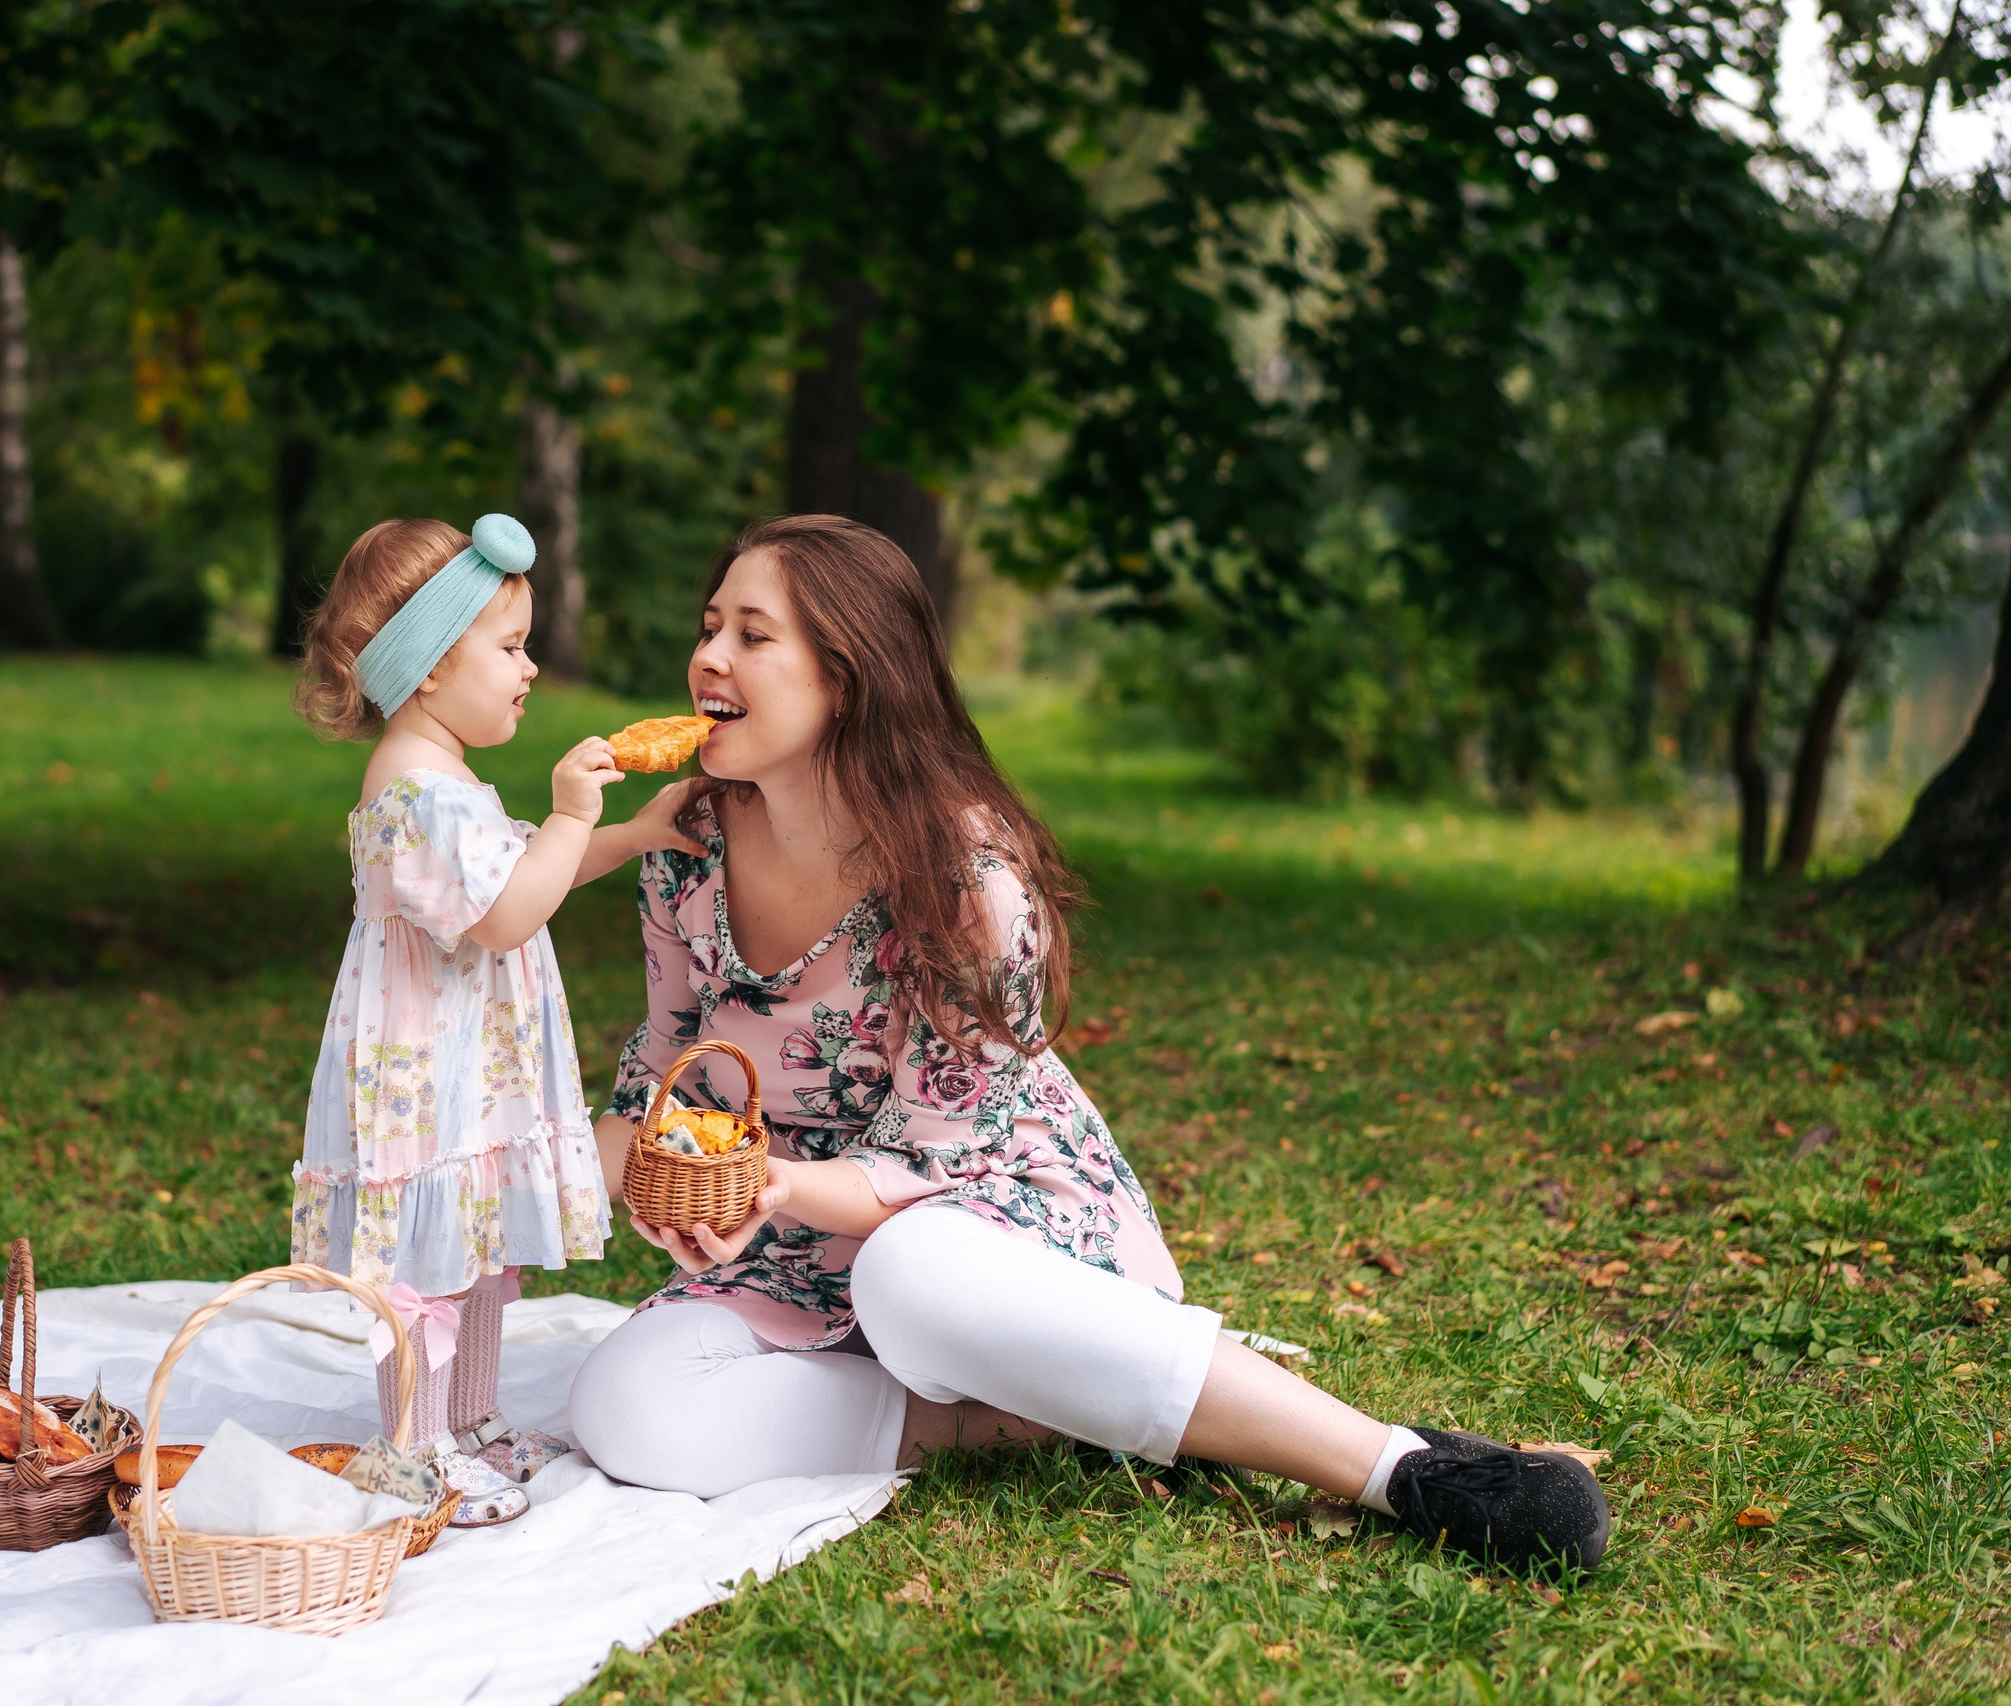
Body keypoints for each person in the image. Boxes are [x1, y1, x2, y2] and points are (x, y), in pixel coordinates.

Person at [566, 515, 1608, 1571]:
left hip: (975, 1218)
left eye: (753, 635)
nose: (707, 658)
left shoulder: (965, 879)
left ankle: (1399, 1465)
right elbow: (659, 1074)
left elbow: (931, 1161)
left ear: (851, 675)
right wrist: (665, 1180)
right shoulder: (682, 842)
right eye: (709, 627)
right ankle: (1057, 1408)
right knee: (629, 1406)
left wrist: (764, 1183)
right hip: (783, 1244)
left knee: (907, 1277)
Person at [291, 513, 700, 1526]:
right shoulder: (417, 788)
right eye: (509, 646)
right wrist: (572, 815)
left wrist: (634, 831)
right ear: (429, 665)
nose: (529, 668)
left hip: (468, 1072)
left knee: (472, 1250)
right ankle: (412, 1448)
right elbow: (513, 903)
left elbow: (518, 868)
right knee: (427, 1265)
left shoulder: (445, 776)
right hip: (419, 1084)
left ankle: (470, 1417)